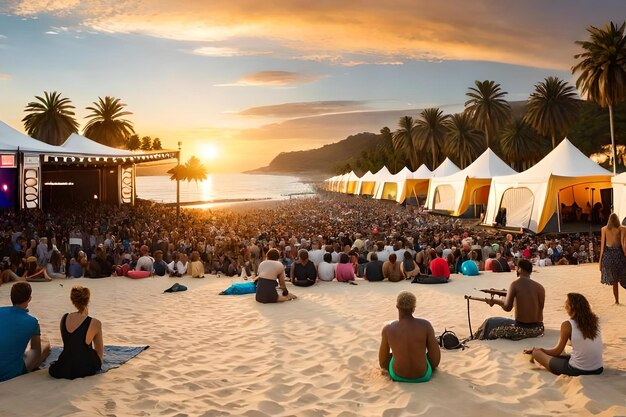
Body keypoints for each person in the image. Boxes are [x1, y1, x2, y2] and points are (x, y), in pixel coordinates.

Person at [525, 293, 603, 376]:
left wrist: (540, 350)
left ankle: (537, 354)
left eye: (566, 303)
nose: (564, 306)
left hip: (577, 370)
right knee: (565, 355)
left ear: (571, 307)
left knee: (536, 353)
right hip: (598, 369)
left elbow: (557, 351)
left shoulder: (567, 325)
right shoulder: (595, 322)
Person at [474, 259, 545, 340]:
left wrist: (495, 301)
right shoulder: (540, 288)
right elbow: (533, 306)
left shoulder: (515, 284)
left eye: (517, 268)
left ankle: (476, 339)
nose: (516, 270)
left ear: (520, 269)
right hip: (539, 329)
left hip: (523, 329)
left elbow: (507, 307)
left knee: (489, 324)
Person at [379, 291, 440, 383]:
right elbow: (435, 361)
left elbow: (383, 363)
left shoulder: (388, 329)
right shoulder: (425, 326)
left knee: (391, 355)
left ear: (397, 306)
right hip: (423, 376)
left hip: (397, 376)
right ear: (413, 308)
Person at [0, 282, 51, 382]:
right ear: (29, 298)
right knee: (45, 346)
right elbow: (36, 351)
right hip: (9, 373)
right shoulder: (32, 322)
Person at [49, 286, 103, 379]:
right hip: (84, 367)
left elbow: (70, 343)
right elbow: (100, 353)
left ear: (72, 301)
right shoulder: (95, 323)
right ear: (88, 300)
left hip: (64, 365)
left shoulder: (64, 317)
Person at [599, 213, 626, 304]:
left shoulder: (604, 229)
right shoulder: (623, 228)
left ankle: (617, 301)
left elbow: (602, 247)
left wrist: (600, 263)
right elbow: (623, 245)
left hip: (608, 257)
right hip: (619, 256)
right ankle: (617, 300)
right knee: (623, 277)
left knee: (615, 281)